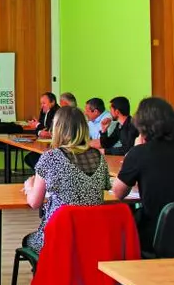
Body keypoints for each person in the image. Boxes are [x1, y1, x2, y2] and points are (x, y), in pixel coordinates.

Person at [112, 97, 174, 252]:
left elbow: (118, 192)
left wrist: (133, 151)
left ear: (142, 124)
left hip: (158, 231)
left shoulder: (139, 153)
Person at [23, 106, 110, 253]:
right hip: (92, 237)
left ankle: (49, 274)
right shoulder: (99, 157)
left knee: (29, 240)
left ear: (58, 129)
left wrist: (29, 186)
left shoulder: (51, 157)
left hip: (58, 237)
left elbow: (34, 202)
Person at [24, 92, 59, 169]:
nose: (41, 106)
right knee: (28, 158)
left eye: (44, 103)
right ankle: (42, 177)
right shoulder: (43, 111)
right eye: (41, 103)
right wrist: (39, 130)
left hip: (54, 145)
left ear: (52, 102)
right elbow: (39, 130)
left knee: (33, 158)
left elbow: (49, 129)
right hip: (43, 143)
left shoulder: (58, 112)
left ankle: (43, 177)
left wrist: (37, 125)